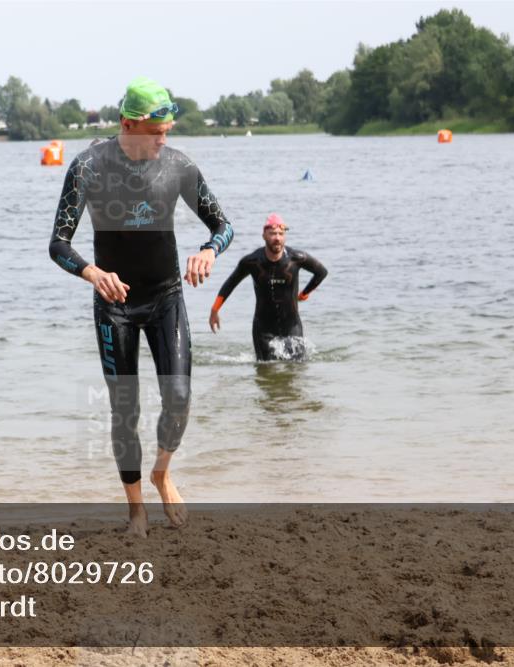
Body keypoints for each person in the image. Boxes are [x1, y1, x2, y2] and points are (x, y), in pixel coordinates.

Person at [49, 77, 234, 536]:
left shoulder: (178, 166)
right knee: (125, 409)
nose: (162, 141)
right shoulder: (89, 167)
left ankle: (162, 473)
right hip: (114, 305)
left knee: (179, 397)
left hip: (165, 296)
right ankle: (136, 510)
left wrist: (209, 251)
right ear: (128, 124)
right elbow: (58, 244)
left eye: (167, 133)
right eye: (156, 133)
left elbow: (223, 226)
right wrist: (93, 273)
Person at [209, 213, 327, 361]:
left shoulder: (296, 258)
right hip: (263, 329)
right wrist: (215, 309)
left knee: (296, 369)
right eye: (272, 233)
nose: (277, 238)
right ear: (264, 235)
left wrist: (304, 293)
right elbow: (230, 283)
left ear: (284, 237)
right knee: (265, 370)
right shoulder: (252, 262)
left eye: (280, 234)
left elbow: (321, 272)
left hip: (292, 326)